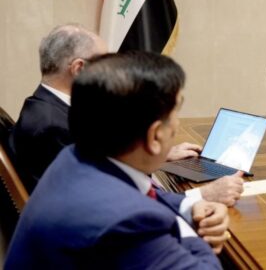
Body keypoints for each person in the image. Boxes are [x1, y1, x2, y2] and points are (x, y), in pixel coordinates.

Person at [6, 51, 228, 268]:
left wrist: (192, 206)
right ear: (155, 136)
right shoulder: (129, 223)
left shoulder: (75, 156)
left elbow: (146, 194)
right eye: (175, 112)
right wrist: (189, 229)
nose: (177, 124)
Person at [9, 24, 243, 205]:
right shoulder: (53, 127)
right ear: (79, 68)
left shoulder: (49, 108)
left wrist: (155, 152)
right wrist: (202, 196)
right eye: (105, 63)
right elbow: (115, 201)